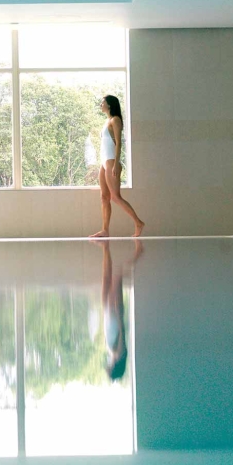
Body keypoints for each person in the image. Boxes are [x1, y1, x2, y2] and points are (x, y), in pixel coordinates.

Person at [90, 95, 145, 238]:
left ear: (109, 105)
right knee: (104, 197)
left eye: (103, 102)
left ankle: (138, 223)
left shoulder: (115, 120)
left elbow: (119, 143)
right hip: (104, 162)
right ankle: (105, 230)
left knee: (115, 197)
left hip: (111, 161)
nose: (101, 104)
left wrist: (115, 164)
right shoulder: (107, 121)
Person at [97, 239, 143, 381]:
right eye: (109, 369)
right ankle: (137, 255)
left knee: (106, 275)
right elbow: (122, 330)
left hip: (107, 310)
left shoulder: (113, 354)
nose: (107, 367)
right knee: (117, 276)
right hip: (114, 311)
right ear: (115, 368)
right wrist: (118, 310)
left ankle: (105, 247)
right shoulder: (120, 354)